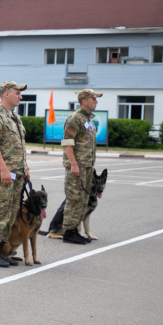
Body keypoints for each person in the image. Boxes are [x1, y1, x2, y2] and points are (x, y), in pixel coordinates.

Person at [0, 81, 30, 268]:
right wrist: (3, 169)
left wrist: (25, 167)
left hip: (16, 174)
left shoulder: (14, 118)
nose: (21, 96)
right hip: (2, 175)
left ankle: (1, 251)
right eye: (17, 93)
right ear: (6, 94)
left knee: (10, 214)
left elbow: (19, 146)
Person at [60, 89, 103, 244]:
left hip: (85, 167)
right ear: (84, 100)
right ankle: (69, 232)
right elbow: (67, 143)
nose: (96, 101)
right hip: (76, 167)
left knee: (83, 199)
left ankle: (75, 230)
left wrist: (90, 165)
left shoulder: (89, 120)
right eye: (94, 99)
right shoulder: (75, 118)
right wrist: (73, 164)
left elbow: (87, 145)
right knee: (74, 198)